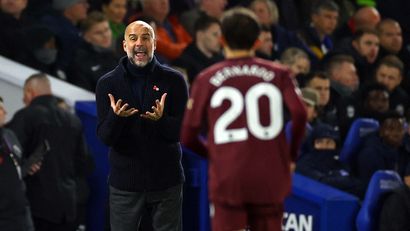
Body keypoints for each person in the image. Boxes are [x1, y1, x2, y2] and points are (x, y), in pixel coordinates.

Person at [181, 7, 307, 231]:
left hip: (229, 174)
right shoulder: (280, 73)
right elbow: (299, 114)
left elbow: (188, 133)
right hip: (269, 174)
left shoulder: (206, 78)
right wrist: (290, 156)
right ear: (257, 42)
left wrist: (214, 152)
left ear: (222, 39)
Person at [95, 20, 188, 231]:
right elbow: (104, 138)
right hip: (125, 184)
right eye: (133, 38)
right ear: (125, 45)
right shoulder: (107, 84)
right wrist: (116, 118)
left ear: (154, 44)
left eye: (146, 37)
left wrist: (161, 121)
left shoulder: (174, 80)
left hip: (166, 182)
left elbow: (181, 132)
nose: (139, 43)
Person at [6, 73, 90, 231]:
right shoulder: (73, 120)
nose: (24, 100)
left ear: (29, 92)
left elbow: (9, 157)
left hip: (36, 206)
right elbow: (83, 164)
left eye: (24, 95)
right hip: (68, 206)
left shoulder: (26, 116)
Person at [0, 96, 38, 231]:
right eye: (0, 108)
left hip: (20, 210)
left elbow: (16, 166)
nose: (5, 112)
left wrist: (27, 168)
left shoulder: (9, 135)